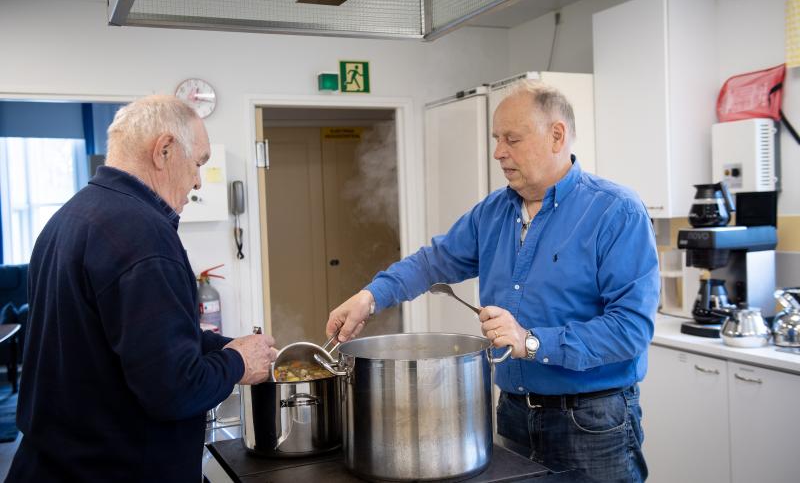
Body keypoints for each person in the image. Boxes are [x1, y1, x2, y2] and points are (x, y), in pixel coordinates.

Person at [326, 80, 659, 482]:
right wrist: (370, 297)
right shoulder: (494, 211)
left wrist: (530, 341)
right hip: (514, 413)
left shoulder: (616, 212)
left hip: (592, 423)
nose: (499, 152)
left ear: (557, 135)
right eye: (497, 139)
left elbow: (631, 330)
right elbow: (432, 263)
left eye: (512, 139)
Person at [8, 95, 278, 482]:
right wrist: (238, 364)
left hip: (51, 464)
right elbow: (174, 390)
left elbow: (117, 343)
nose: (199, 180)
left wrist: (222, 347)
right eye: (198, 162)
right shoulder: (145, 237)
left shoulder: (70, 216)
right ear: (164, 150)